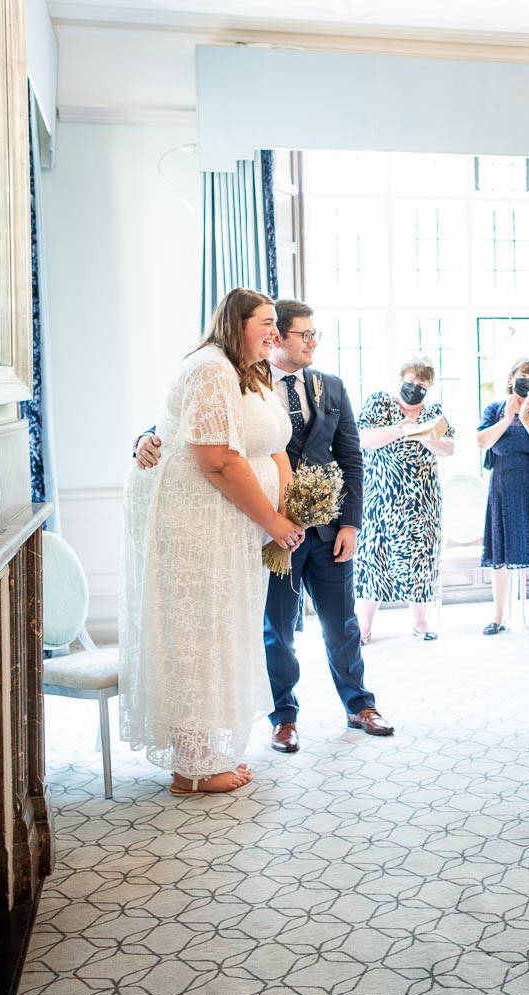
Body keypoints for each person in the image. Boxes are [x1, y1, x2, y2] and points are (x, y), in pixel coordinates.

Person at [136, 300, 394, 748]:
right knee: (277, 628)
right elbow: (187, 423)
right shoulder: (242, 377)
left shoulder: (330, 387)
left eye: (315, 335)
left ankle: (359, 704)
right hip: (266, 529)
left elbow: (352, 458)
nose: (312, 342)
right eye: (303, 334)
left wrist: (351, 523)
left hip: (328, 531)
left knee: (342, 623)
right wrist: (143, 438)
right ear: (278, 339)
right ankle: (284, 716)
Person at [118, 288, 305, 795]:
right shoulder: (212, 369)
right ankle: (192, 769)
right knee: (195, 632)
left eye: (275, 323)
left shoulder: (251, 371)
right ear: (234, 323)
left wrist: (286, 514)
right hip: (193, 524)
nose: (273, 331)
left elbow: (274, 451)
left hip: (228, 526)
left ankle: (207, 751)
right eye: (265, 322)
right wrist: (271, 521)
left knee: (221, 629)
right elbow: (216, 459)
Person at [354, 357, 455, 641]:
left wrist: (423, 435)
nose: (416, 387)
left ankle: (421, 623)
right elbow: (362, 438)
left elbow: (448, 448)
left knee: (421, 560)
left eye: (422, 383)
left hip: (422, 502)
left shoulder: (434, 412)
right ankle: (364, 627)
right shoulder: (380, 402)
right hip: (381, 501)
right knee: (373, 560)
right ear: (401, 379)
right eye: (411, 381)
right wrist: (398, 429)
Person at [476, 357, 529, 634]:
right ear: (511, 378)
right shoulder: (494, 409)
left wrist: (525, 418)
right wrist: (507, 419)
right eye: (523, 375)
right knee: (500, 553)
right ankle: (498, 616)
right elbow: (483, 441)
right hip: (503, 487)